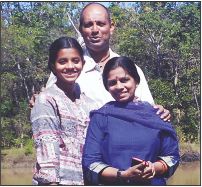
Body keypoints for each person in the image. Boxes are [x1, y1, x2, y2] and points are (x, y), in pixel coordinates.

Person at [31, 2, 171, 121]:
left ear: (111, 27)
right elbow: (49, 104)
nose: (95, 30)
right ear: (81, 30)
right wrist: (39, 100)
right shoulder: (69, 69)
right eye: (88, 25)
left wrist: (160, 112)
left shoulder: (131, 69)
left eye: (100, 24)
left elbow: (148, 111)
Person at [82, 56, 180, 185]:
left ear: (136, 81)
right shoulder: (101, 117)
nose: (119, 86)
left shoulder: (157, 115)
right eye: (112, 83)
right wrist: (122, 174)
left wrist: (153, 168)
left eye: (125, 80)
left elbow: (172, 157)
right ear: (107, 87)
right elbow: (90, 162)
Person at [30, 37, 98, 185]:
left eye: (75, 60)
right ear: (53, 66)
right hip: (60, 182)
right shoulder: (46, 100)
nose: (70, 66)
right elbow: (46, 150)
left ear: (83, 64)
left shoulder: (89, 103)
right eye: (62, 62)